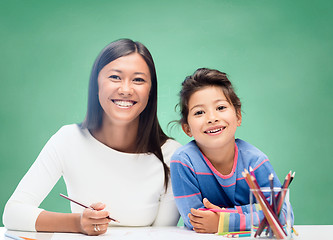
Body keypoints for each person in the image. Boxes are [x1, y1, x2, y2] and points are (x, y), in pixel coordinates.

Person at [3, 39, 181, 235]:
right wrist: (77, 223)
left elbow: (164, 235)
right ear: (96, 84)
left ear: (150, 91)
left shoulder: (172, 156)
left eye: (138, 80)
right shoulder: (68, 139)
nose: (125, 89)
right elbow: (13, 213)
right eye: (115, 77)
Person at [170, 68, 294, 233]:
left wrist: (223, 220)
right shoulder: (184, 161)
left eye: (220, 107)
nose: (212, 118)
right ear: (187, 129)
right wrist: (254, 210)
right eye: (199, 112)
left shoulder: (256, 161)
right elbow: (196, 220)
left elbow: (283, 214)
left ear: (238, 116)